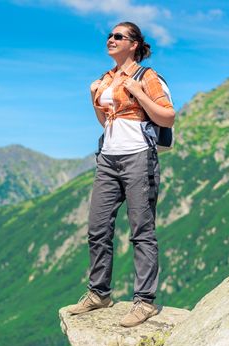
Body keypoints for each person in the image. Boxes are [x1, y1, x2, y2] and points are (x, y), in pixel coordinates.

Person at [67, 22, 175, 327]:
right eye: (109, 36)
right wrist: (93, 98)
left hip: (139, 156)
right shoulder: (106, 79)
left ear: (134, 44)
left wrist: (139, 93)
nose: (111, 39)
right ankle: (99, 293)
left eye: (119, 36)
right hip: (108, 158)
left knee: (142, 230)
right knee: (97, 228)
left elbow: (168, 116)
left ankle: (144, 302)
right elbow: (106, 122)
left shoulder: (146, 76)